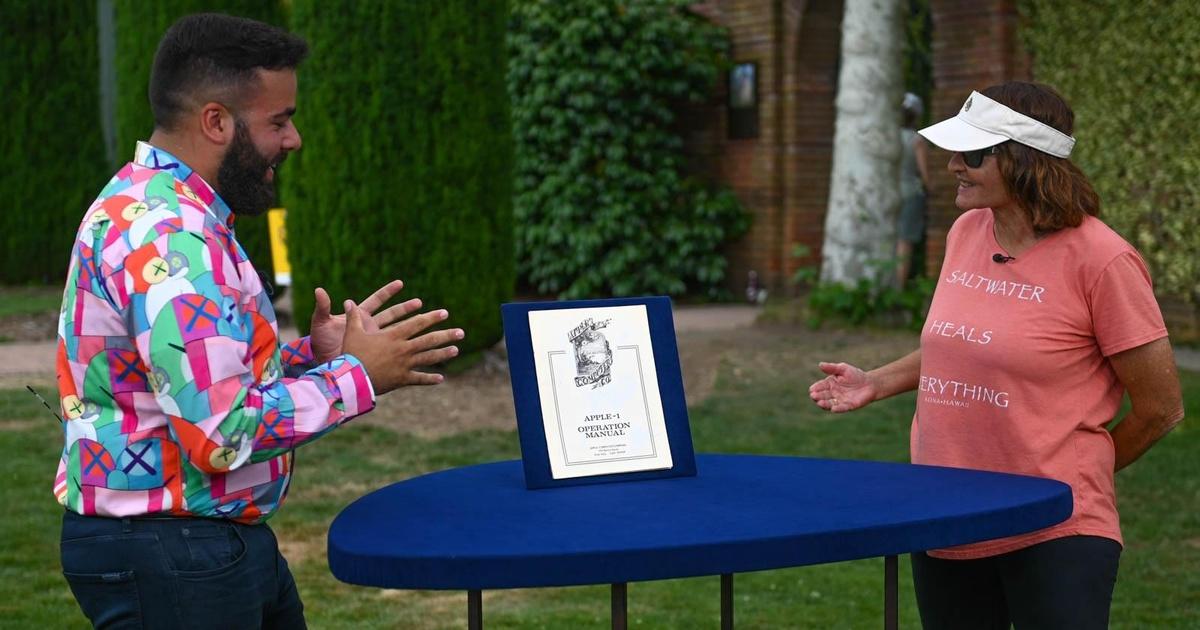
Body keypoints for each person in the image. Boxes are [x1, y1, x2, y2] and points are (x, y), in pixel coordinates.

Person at [55, 14, 463, 628]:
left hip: (189, 544)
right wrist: (357, 377)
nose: (294, 138)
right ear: (216, 121)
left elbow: (184, 377)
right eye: (279, 120)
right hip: (176, 553)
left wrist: (310, 358)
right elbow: (221, 434)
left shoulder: (147, 204)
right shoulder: (173, 241)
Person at [808, 82, 1184, 629]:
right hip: (945, 510)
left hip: (1056, 528)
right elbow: (967, 340)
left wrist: (1071, 475)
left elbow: (1161, 408)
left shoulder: (1104, 261)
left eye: (975, 153)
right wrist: (877, 381)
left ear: (1027, 160)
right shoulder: (966, 232)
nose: (954, 164)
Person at [896, 92, 931, 288]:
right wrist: (930, 188)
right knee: (905, 241)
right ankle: (899, 288)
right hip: (910, 193)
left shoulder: (889, 137)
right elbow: (924, 173)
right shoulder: (916, 140)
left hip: (890, 193)